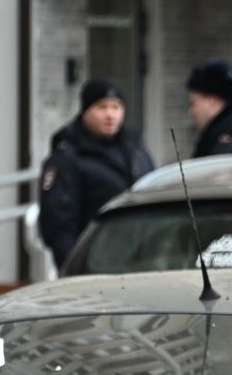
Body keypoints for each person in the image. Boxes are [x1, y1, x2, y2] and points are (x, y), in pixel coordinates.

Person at [37, 78, 154, 271]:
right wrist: (73, 270)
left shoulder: (135, 149)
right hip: (95, 264)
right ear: (86, 111)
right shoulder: (67, 157)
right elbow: (58, 224)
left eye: (116, 107)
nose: (110, 114)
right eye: (102, 107)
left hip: (141, 259)